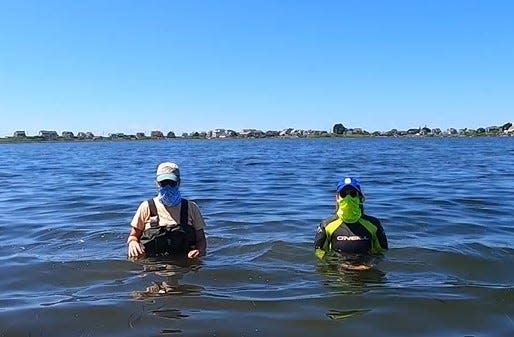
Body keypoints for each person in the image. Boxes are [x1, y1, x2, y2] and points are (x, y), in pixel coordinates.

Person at [127, 162, 207, 259]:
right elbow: (133, 235)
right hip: (153, 265)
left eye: (172, 183)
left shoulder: (191, 207)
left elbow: (201, 239)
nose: (167, 187)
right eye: (163, 183)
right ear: (157, 184)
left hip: (184, 264)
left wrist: (198, 251)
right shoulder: (146, 207)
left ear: (179, 183)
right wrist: (132, 243)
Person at [314, 177, 388, 263]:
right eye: (343, 194)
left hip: (366, 271)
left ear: (360, 197)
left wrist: (370, 264)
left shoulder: (373, 224)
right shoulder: (327, 225)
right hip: (338, 272)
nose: (348, 197)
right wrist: (336, 264)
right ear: (337, 198)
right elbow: (319, 252)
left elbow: (382, 251)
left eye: (352, 194)